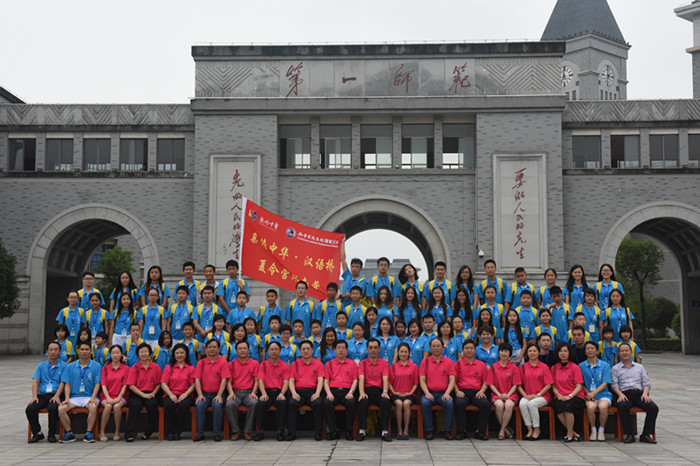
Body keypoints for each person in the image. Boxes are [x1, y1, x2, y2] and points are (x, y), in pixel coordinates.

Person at [611, 343, 658, 444]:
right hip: (625, 394)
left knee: (653, 408)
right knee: (623, 406)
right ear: (619, 353)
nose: (624, 353)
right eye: (622, 351)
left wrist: (645, 394)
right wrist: (620, 394)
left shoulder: (639, 367)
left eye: (627, 350)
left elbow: (646, 383)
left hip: (639, 394)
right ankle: (630, 434)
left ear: (631, 352)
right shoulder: (615, 368)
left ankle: (645, 434)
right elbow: (614, 385)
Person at [58, 341, 101, 443]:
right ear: (78, 351)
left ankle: (88, 433)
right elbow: (67, 384)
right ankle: (69, 433)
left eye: (87, 349)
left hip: (89, 396)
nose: (84, 352)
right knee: (61, 409)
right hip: (74, 397)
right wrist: (67, 398)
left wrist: (93, 398)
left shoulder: (97, 365)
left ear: (91, 351)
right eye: (82, 349)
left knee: (93, 407)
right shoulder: (70, 366)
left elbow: (97, 384)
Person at [27, 341, 66, 443]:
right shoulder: (41, 366)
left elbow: (63, 382)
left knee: (53, 408)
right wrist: (34, 396)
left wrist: (57, 396)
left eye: (56, 350)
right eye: (51, 350)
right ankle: (38, 433)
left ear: (60, 352)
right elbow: (36, 381)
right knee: (30, 409)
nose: (53, 352)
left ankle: (51, 434)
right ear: (47, 352)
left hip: (57, 394)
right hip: (42, 395)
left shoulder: (64, 366)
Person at [194, 339, 230, 441]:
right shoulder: (201, 363)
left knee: (217, 405)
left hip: (218, 393)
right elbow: (197, 380)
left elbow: (224, 380)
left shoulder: (223, 362)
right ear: (206, 349)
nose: (212, 349)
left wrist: (219, 395)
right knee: (199, 405)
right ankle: (200, 434)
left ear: (218, 349)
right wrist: (200, 395)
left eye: (214, 347)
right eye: (209, 347)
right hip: (204, 393)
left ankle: (217, 434)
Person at [420, 338, 457, 440]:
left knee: (449, 403)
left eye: (438, 346)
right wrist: (427, 393)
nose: (436, 348)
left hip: (443, 393)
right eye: (434, 346)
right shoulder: (425, 362)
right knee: (425, 403)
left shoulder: (449, 362)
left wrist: (447, 393)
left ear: (442, 348)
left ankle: (448, 431)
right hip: (429, 392)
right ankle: (429, 430)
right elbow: (422, 380)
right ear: (430, 348)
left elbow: (452, 380)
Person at [287, 340, 324, 440]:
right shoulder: (294, 364)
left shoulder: (318, 364)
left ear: (312, 350)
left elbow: (320, 380)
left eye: (308, 349)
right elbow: (291, 380)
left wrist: (317, 393)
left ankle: (318, 433)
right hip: (298, 392)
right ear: (300, 351)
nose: (306, 351)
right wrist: (294, 393)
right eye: (303, 349)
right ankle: (291, 433)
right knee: (292, 403)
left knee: (318, 403)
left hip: (313, 391)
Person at [124, 343, 162, 441]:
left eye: (146, 351)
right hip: (137, 393)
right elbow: (131, 385)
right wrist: (143, 395)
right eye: (141, 352)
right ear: (138, 354)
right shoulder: (134, 368)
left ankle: (149, 431)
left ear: (149, 353)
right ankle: (128, 432)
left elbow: (159, 383)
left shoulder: (156, 367)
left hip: (151, 393)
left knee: (152, 405)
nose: (144, 354)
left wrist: (153, 393)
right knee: (135, 405)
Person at [454, 339, 490, 441]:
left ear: (475, 350)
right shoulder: (457, 364)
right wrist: (457, 391)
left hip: (476, 392)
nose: (469, 350)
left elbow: (485, 381)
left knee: (485, 404)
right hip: (462, 391)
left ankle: (480, 432)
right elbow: (453, 381)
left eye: (471, 348)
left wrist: (482, 391)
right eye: (466, 348)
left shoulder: (481, 365)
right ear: (463, 350)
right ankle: (462, 431)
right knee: (459, 403)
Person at [357, 339, 392, 442]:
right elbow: (361, 378)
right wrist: (362, 393)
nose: (373, 350)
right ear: (367, 349)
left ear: (379, 349)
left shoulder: (384, 363)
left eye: (375, 348)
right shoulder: (362, 363)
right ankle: (362, 431)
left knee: (385, 402)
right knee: (362, 401)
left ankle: (384, 432)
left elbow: (385, 378)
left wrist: (385, 391)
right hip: (367, 391)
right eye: (371, 348)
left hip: (379, 391)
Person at [323, 340, 358, 441]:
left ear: (347, 350)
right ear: (334, 350)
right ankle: (333, 431)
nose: (341, 350)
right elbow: (326, 381)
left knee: (351, 402)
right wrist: (328, 393)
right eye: (338, 348)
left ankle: (349, 431)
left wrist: (351, 392)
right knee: (327, 403)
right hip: (333, 391)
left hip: (347, 391)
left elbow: (355, 380)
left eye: (343, 348)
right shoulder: (329, 364)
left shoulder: (352, 364)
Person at [254, 341, 289, 441]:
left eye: (276, 349)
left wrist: (282, 393)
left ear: (280, 351)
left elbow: (286, 382)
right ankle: (260, 432)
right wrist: (263, 393)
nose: (274, 351)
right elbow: (260, 380)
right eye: (272, 349)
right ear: (268, 351)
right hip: (267, 392)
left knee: (283, 403)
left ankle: (280, 432)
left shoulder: (285, 365)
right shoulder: (263, 365)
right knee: (260, 404)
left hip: (279, 392)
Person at [518, 341, 553, 441]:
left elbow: (549, 384)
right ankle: (529, 429)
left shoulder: (544, 367)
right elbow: (519, 385)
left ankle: (537, 429)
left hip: (543, 396)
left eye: (534, 351)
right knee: (522, 404)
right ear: (527, 353)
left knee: (532, 404)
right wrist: (525, 395)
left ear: (538, 353)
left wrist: (538, 395)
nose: (532, 353)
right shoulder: (523, 367)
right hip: (527, 395)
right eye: (530, 351)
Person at [160, 342, 195, 441]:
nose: (179, 355)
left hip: (186, 394)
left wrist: (185, 394)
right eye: (177, 353)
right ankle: (170, 432)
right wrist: (171, 394)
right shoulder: (168, 368)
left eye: (182, 353)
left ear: (186, 354)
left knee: (183, 405)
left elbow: (193, 385)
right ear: (174, 355)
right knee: (169, 405)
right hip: (170, 394)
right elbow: (163, 383)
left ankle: (177, 432)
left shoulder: (191, 368)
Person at [486, 343, 522, 440]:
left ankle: (502, 430)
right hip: (496, 394)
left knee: (508, 405)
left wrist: (508, 395)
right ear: (499, 353)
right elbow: (490, 384)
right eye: (502, 351)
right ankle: (506, 430)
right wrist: (499, 394)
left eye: (506, 351)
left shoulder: (514, 368)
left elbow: (515, 384)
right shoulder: (493, 367)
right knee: (499, 405)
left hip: (511, 395)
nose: (504, 353)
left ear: (510, 353)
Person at [551, 342, 585, 442]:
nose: (563, 353)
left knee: (567, 406)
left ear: (569, 353)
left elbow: (579, 386)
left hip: (575, 395)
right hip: (560, 395)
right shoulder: (554, 368)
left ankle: (569, 434)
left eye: (565, 351)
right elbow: (553, 385)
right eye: (561, 351)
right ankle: (574, 433)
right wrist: (558, 395)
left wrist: (570, 396)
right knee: (558, 405)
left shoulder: (575, 367)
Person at [226, 340, 259, 440]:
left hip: (249, 392)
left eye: (245, 348)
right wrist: (231, 393)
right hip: (235, 392)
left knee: (254, 403)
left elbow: (257, 380)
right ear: (236, 351)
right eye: (240, 349)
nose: (242, 350)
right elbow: (228, 381)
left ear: (248, 350)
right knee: (229, 404)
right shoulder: (231, 364)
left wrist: (254, 392)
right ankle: (236, 431)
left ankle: (247, 431)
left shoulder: (254, 363)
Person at [580, 341, 613, 442]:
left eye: (592, 348)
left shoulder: (604, 365)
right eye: (588, 349)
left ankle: (601, 430)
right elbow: (581, 383)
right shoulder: (581, 366)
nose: (590, 350)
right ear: (585, 351)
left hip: (603, 394)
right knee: (591, 407)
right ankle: (593, 430)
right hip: (588, 395)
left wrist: (593, 393)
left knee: (603, 407)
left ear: (597, 351)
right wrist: (588, 393)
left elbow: (605, 382)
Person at [98, 344, 129, 442]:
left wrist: (119, 397)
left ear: (121, 355)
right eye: (113, 353)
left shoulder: (126, 369)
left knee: (116, 406)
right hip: (106, 395)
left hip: (121, 395)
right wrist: (108, 398)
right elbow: (103, 385)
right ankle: (102, 432)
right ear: (110, 355)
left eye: (117, 353)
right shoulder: (105, 369)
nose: (115, 355)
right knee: (107, 406)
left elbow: (125, 385)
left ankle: (117, 432)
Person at [389, 342, 418, 440]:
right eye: (401, 352)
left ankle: (406, 430)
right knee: (398, 403)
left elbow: (416, 383)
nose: (403, 354)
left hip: (410, 394)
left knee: (406, 403)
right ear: (398, 353)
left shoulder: (414, 366)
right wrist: (394, 392)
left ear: (409, 353)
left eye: (405, 352)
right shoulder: (393, 367)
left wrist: (410, 392)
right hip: (395, 393)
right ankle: (399, 430)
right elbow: (389, 383)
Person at [340, 244, 367, 309]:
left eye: (357, 267)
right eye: (353, 266)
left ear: (360, 269)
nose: (354, 268)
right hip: (343, 306)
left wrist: (340, 296)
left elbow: (355, 293)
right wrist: (342, 243)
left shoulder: (362, 280)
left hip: (354, 307)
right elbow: (343, 259)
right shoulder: (348, 276)